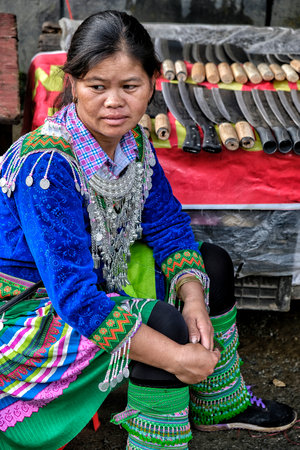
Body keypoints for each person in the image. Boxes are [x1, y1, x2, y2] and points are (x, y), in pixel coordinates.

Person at [0, 10, 296, 450]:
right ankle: (156, 439)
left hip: (99, 278)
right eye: (97, 87)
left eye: (129, 87)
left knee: (210, 265)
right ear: (73, 83)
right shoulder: (47, 165)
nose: (114, 102)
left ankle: (218, 401)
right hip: (29, 312)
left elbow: (167, 223)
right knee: (162, 324)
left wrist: (194, 295)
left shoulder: (133, 143)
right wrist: (176, 357)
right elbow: (75, 298)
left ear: (153, 82)